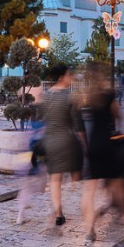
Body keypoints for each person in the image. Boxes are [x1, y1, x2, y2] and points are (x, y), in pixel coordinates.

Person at [82, 67, 124, 241]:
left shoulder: (88, 97)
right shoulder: (109, 96)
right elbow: (119, 116)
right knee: (118, 182)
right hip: (109, 143)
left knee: (89, 190)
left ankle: (89, 229)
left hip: (93, 145)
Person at [39, 63, 86, 227]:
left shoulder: (47, 96)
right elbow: (78, 124)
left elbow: (42, 120)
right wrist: (85, 144)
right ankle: (83, 206)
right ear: (61, 77)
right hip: (67, 141)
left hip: (50, 141)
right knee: (77, 175)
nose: (70, 78)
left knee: (55, 179)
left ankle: (59, 213)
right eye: (68, 75)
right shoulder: (71, 96)